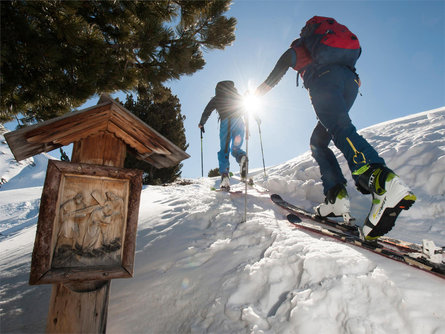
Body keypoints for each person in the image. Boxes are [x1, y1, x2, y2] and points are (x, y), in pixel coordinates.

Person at [255, 16, 416, 240]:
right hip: (349, 84)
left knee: (340, 130)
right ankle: (336, 198)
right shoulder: (330, 43)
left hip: (324, 83)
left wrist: (259, 92)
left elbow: (285, 62)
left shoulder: (301, 45)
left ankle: (382, 181)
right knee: (319, 142)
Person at [199, 80, 247, 191]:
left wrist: (202, 123)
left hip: (226, 122)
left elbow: (207, 111)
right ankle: (242, 158)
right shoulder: (236, 95)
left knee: (224, 150)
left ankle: (225, 175)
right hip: (239, 122)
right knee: (236, 148)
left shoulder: (217, 98)